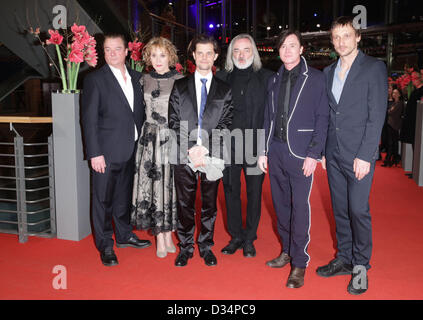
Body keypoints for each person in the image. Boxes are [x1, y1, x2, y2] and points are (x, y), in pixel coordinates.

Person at [316, 16, 388, 295]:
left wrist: (366, 155)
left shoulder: (373, 68)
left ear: (358, 37)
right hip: (333, 153)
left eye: (346, 35)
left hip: (358, 153)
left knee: (358, 210)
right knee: (340, 210)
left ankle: (360, 265)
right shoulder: (328, 72)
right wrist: (323, 150)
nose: (341, 41)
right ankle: (344, 258)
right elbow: (327, 115)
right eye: (336, 37)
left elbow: (376, 115)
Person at [257, 30, 329, 289]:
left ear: (301, 49)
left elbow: (323, 118)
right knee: (281, 206)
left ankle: (299, 261)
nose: (287, 50)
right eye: (283, 46)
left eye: (292, 45)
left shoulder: (317, 79)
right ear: (278, 51)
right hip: (275, 151)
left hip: (301, 153)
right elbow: (268, 117)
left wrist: (314, 154)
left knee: (299, 208)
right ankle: (287, 251)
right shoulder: (274, 79)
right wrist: (263, 151)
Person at [81, 33, 152, 267]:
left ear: (126, 52)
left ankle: (124, 235)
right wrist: (94, 153)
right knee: (103, 200)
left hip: (132, 149)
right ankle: (105, 245)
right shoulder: (94, 79)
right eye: (107, 49)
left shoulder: (138, 77)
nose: (112, 53)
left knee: (124, 197)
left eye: (117, 48)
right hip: (106, 152)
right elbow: (89, 120)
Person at [168, 34, 233, 267]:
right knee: (184, 204)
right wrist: (190, 149)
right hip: (183, 154)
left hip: (212, 154)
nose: (204, 57)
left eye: (209, 53)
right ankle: (185, 247)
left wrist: (203, 148)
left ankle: (205, 246)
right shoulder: (179, 86)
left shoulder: (225, 90)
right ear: (193, 55)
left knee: (209, 204)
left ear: (215, 56)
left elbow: (226, 123)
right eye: (200, 52)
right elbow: (173, 122)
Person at [216, 34, 274, 258]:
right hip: (228, 146)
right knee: (230, 192)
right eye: (236, 51)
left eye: (246, 50)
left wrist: (266, 149)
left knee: (254, 193)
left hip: (255, 146)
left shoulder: (267, 78)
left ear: (254, 53)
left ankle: (250, 238)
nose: (241, 55)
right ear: (231, 54)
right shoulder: (221, 78)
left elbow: (271, 114)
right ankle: (236, 236)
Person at [131, 37, 183, 258]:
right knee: (153, 187)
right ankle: (160, 237)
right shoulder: (143, 80)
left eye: (162, 55)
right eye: (153, 55)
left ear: (170, 56)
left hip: (170, 138)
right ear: (147, 57)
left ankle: (169, 232)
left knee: (170, 187)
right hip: (149, 139)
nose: (158, 60)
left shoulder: (181, 80)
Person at [382, 87, 404, 167]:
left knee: (392, 143)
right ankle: (391, 159)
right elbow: (389, 111)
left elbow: (390, 112)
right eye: (393, 93)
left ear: (399, 94)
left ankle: (390, 159)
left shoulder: (399, 103)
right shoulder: (395, 103)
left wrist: (390, 110)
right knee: (392, 143)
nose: (394, 94)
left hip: (394, 125)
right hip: (391, 124)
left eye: (396, 93)